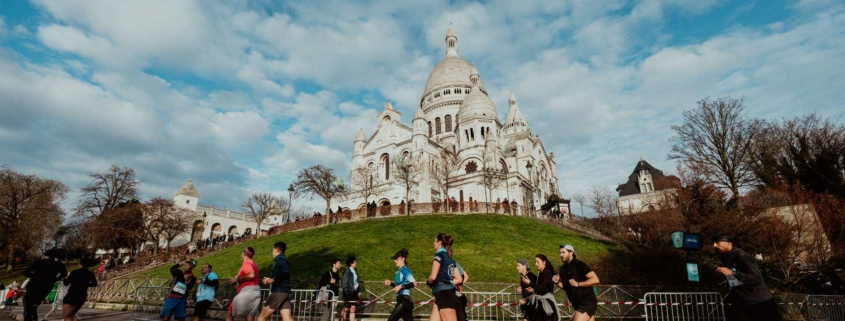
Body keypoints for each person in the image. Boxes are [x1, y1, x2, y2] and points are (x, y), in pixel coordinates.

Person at [712, 234, 782, 321]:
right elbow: (737, 275)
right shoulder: (724, 257)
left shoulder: (742, 256)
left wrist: (733, 273)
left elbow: (757, 279)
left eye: (717, 242)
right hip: (742, 301)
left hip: (760, 301)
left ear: (729, 243)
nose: (714, 245)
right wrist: (727, 281)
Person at [553, 244, 599, 321]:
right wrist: (557, 282)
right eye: (560, 253)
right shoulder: (563, 269)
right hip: (577, 304)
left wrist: (578, 284)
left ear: (571, 253)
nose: (561, 255)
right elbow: (566, 287)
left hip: (587, 301)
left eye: (563, 252)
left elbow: (595, 279)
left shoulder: (579, 265)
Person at [22, 248, 67, 321]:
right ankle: (32, 316)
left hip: (34, 284)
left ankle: (29, 317)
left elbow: (25, 272)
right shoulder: (59, 265)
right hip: (47, 285)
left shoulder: (39, 262)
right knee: (35, 304)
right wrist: (55, 279)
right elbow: (64, 274)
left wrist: (34, 276)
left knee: (28, 304)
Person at [427, 233, 462, 321]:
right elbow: (459, 278)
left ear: (439, 242)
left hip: (443, 294)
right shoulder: (450, 258)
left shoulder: (438, 256)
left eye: (435, 241)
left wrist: (429, 282)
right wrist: (447, 282)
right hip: (443, 293)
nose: (434, 243)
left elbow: (433, 277)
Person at [259, 242, 292, 321]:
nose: (272, 252)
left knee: (261, 318)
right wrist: (271, 278)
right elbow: (282, 273)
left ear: (276, 249)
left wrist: (272, 280)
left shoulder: (279, 259)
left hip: (278, 292)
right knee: (287, 319)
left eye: (272, 249)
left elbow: (285, 271)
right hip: (286, 292)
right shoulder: (283, 259)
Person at [227, 247, 261, 321]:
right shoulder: (253, 263)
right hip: (255, 291)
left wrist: (236, 279)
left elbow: (251, 275)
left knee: (230, 314)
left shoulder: (247, 262)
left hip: (247, 292)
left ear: (244, 254)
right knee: (249, 316)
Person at [384, 248, 416, 321]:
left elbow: (414, 284)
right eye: (394, 259)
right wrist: (391, 283)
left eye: (397, 259)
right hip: (402, 300)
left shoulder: (404, 270)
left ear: (403, 259)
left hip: (404, 301)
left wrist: (401, 286)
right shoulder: (399, 271)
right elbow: (398, 286)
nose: (395, 261)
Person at [524, 255, 559, 321]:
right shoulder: (541, 273)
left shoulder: (547, 273)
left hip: (546, 304)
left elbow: (544, 289)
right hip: (541, 303)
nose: (536, 264)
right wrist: (533, 290)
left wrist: (530, 283)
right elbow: (541, 288)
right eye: (535, 262)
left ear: (544, 262)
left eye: (537, 262)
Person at [341, 257, 360, 321]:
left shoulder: (355, 271)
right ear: (351, 263)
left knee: (353, 308)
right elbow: (344, 283)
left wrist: (359, 291)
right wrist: (346, 293)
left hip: (355, 292)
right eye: (355, 262)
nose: (356, 263)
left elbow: (357, 281)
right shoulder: (347, 271)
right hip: (348, 292)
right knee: (346, 308)